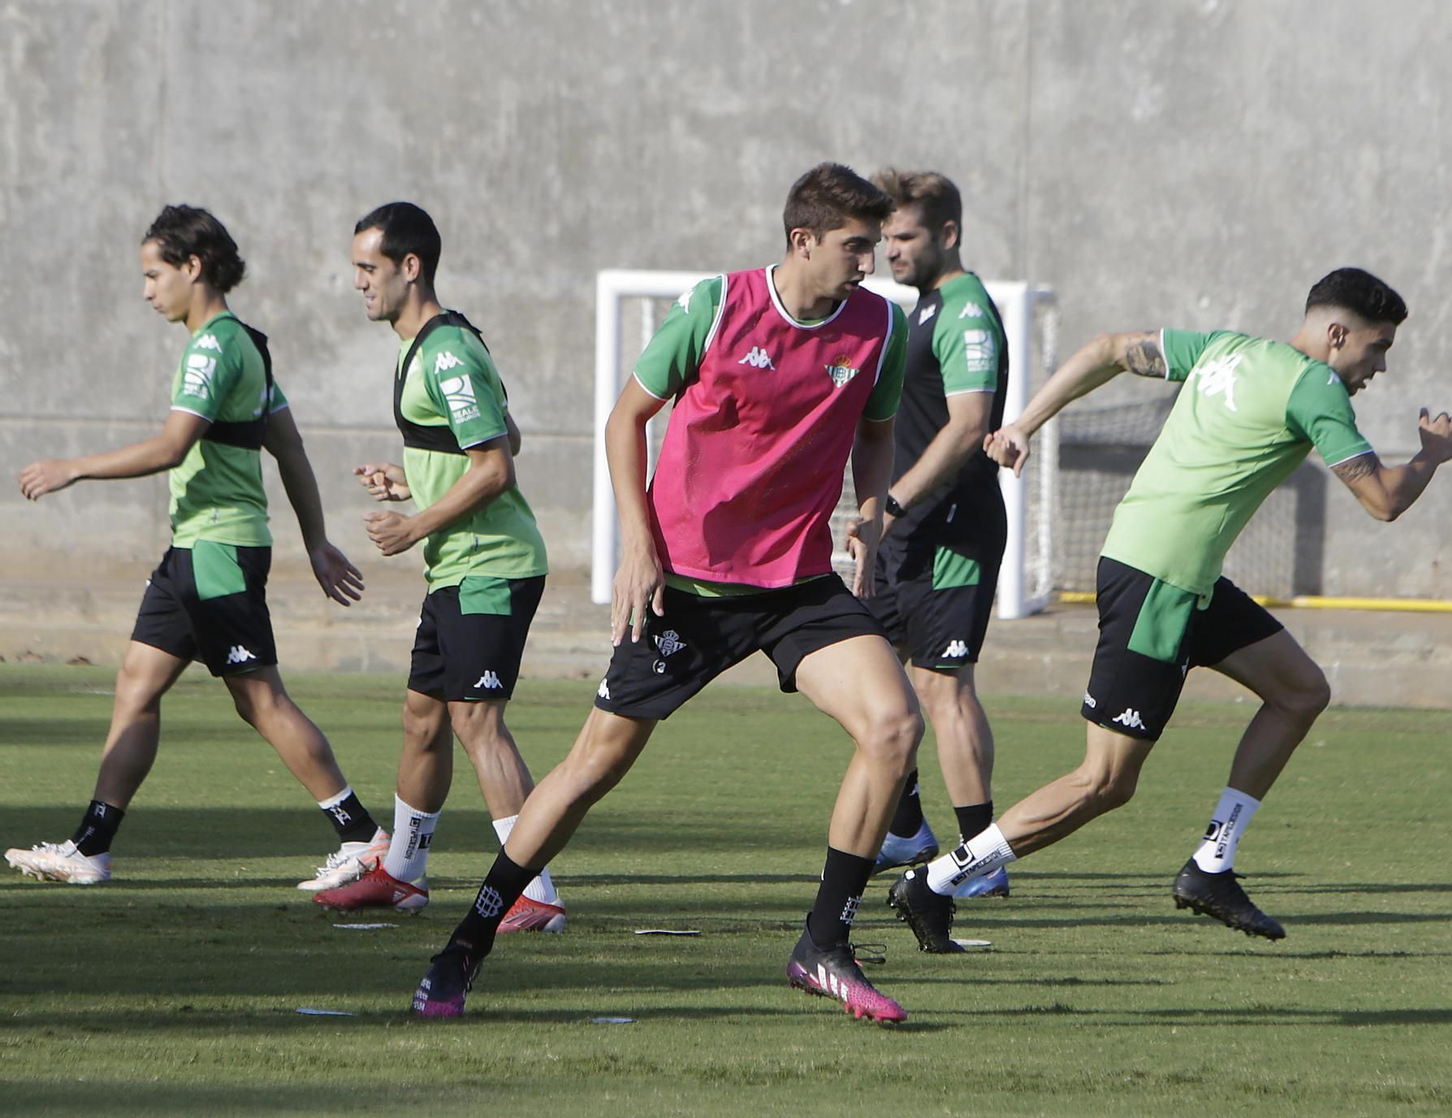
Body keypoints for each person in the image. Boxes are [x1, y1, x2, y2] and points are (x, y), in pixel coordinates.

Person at [409, 163, 919, 1024]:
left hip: (798, 583)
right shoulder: (717, 306)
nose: (870, 263)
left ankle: (822, 944)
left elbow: (876, 435)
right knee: (591, 769)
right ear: (803, 242)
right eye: (855, 247)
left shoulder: (879, 327)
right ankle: (466, 943)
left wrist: (867, 515)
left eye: (873, 246)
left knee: (894, 725)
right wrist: (638, 545)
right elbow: (625, 419)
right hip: (685, 586)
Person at [889, 268, 1452, 952]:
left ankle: (1212, 865)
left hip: (1177, 576)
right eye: (1377, 347)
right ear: (1338, 335)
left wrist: (1023, 424)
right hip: (1159, 582)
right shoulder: (1317, 387)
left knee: (1301, 690)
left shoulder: (1226, 347)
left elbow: (1106, 347)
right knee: (1104, 781)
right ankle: (938, 881)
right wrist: (1430, 456)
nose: (1381, 366)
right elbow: (1385, 501)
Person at [5, 205, 383, 889]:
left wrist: (75, 467)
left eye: (154, 274)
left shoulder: (214, 347)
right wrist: (316, 541)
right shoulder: (242, 343)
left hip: (219, 551)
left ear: (193, 267)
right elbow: (289, 446)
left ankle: (362, 837)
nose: (147, 290)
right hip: (194, 550)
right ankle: (89, 848)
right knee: (135, 685)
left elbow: (174, 444)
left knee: (259, 698)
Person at [310, 202, 565, 934]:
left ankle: (536, 890)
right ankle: (404, 876)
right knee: (422, 718)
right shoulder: (421, 345)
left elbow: (497, 465)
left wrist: (416, 521)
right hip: (457, 567)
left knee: (476, 721)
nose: (358, 281)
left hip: (493, 565)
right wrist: (412, 480)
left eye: (369, 267)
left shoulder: (445, 350)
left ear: (409, 266)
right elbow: (496, 431)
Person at [865, 169, 1011, 899]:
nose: (891, 249)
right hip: (903, 532)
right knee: (873, 675)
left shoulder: (966, 311)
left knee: (942, 685)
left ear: (947, 234)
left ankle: (979, 858)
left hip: (952, 527)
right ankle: (906, 832)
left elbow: (968, 427)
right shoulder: (920, 308)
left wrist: (889, 504)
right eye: (885, 236)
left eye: (905, 236)